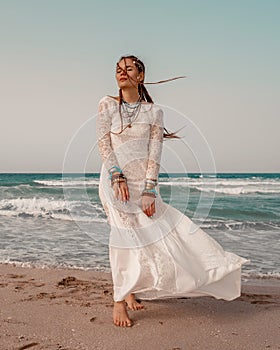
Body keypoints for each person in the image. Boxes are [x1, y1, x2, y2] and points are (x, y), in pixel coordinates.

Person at [96, 55, 250, 327]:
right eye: (118, 69)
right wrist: (115, 175)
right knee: (122, 237)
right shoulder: (107, 104)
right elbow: (103, 144)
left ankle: (131, 289)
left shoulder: (154, 112)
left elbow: (155, 153)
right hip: (113, 182)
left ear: (140, 75)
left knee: (156, 234)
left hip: (141, 183)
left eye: (128, 68)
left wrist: (149, 189)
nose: (122, 72)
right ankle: (119, 300)